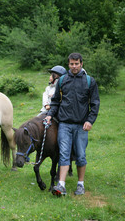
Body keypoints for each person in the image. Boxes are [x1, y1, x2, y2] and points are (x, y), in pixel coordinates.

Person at [45, 53, 100, 196]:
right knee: (64, 154)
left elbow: (94, 104)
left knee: (80, 155)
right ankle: (61, 185)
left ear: (81, 64)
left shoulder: (89, 81)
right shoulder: (62, 80)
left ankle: (80, 184)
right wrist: (50, 115)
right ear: (68, 64)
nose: (74, 66)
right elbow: (55, 101)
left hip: (81, 125)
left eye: (76, 63)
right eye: (71, 64)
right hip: (64, 124)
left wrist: (90, 121)